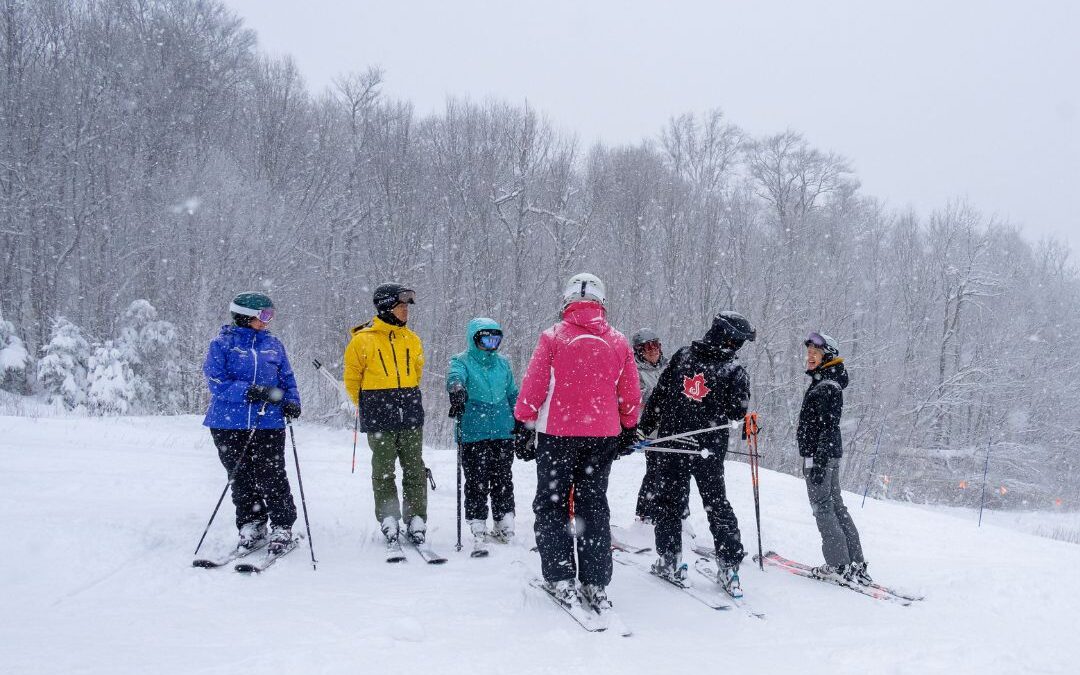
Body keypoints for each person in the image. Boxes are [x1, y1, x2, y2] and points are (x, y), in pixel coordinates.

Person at [515, 273, 641, 613]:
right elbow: (630, 393)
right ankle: (595, 581)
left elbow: (534, 384)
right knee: (593, 505)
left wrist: (524, 420)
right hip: (601, 435)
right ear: (602, 302)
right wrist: (628, 425)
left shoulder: (552, 337)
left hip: (557, 434)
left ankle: (559, 576)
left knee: (551, 504)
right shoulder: (618, 341)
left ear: (567, 301)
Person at [639, 311, 754, 595]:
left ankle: (670, 558)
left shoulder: (684, 355)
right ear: (728, 337)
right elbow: (737, 411)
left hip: (674, 442)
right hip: (707, 448)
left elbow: (660, 395)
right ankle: (729, 566)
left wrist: (645, 427)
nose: (739, 347)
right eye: (738, 341)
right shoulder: (734, 370)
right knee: (716, 503)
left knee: (670, 501)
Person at [202, 292, 301, 556]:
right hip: (227, 423)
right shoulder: (222, 344)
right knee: (241, 477)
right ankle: (252, 524)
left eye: (270, 315)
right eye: (264, 315)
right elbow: (216, 383)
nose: (268, 321)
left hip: (268, 422)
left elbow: (287, 378)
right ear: (246, 317)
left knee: (272, 475)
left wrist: (292, 401)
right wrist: (250, 391)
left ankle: (282, 525)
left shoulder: (273, 345)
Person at [343, 283, 426, 557]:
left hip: (410, 411)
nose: (406, 311)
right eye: (401, 306)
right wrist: (370, 406)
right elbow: (353, 380)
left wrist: (406, 399)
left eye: (407, 306)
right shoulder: (362, 340)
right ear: (386, 307)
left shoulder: (412, 339)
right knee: (384, 470)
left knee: (414, 468)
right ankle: (389, 518)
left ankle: (416, 518)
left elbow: (417, 371)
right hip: (380, 414)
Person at [798, 331, 872, 585]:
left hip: (820, 457)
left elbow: (828, 426)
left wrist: (818, 459)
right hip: (828, 455)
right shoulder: (827, 383)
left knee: (823, 508)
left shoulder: (826, 387)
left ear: (826, 355)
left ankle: (837, 564)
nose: (809, 357)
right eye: (808, 352)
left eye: (814, 353)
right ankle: (855, 563)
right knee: (836, 506)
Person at [446, 317, 521, 553]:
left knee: (502, 477)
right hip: (473, 431)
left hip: (502, 429)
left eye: (495, 340)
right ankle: (478, 521)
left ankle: (503, 518)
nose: (491, 345)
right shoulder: (462, 361)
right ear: (474, 339)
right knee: (477, 479)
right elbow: (455, 376)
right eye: (486, 340)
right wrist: (457, 389)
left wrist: (521, 416)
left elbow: (512, 392)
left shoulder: (502, 364)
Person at [631, 329, 669, 523]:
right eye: (648, 346)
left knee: (673, 472)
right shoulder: (635, 372)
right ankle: (647, 512)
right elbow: (639, 399)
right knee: (656, 469)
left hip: (671, 428)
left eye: (656, 345)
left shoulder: (669, 367)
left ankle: (674, 513)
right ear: (639, 350)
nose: (653, 350)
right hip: (650, 429)